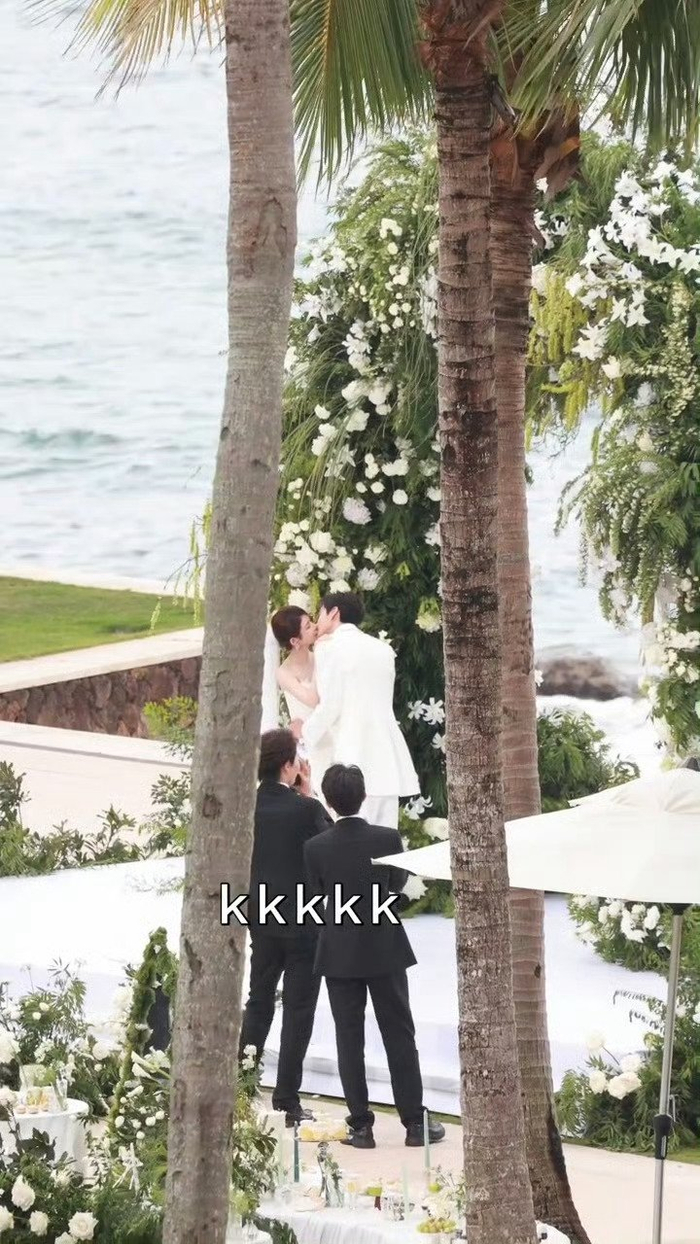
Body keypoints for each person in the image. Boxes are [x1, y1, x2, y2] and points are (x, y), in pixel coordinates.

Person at [304, 763, 445, 1151]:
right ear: (364, 796)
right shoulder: (387, 839)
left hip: (339, 951)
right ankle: (414, 1122)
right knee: (399, 1033)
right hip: (384, 946)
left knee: (349, 1039)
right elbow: (397, 883)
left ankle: (361, 1127)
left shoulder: (315, 848)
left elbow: (316, 896)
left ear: (328, 801)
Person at [239, 728, 331, 1126]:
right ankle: (287, 1100)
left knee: (258, 1001)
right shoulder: (305, 810)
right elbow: (332, 846)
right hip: (303, 922)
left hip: (260, 917)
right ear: (289, 765)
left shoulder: (246, 807)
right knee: (298, 1010)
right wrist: (308, 796)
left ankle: (243, 1085)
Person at [293, 592, 419, 828]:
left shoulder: (328, 648)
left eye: (320, 613)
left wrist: (304, 732)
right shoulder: (382, 649)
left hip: (354, 753)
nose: (318, 621)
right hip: (387, 757)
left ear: (333, 613)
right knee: (385, 836)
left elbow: (330, 705)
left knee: (353, 833)